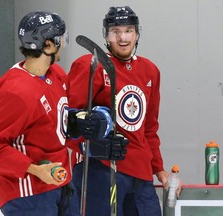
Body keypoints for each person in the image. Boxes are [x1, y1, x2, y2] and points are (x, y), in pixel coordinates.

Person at [0, 10, 123, 216]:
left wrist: (77, 122)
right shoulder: (16, 92)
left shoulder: (57, 75)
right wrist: (35, 170)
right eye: (60, 39)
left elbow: (53, 121)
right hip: (28, 193)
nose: (63, 43)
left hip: (61, 183)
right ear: (47, 46)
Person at [67, 6, 181, 216]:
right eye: (115, 32)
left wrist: (159, 169)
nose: (122, 38)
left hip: (141, 172)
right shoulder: (90, 66)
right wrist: (96, 147)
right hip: (101, 169)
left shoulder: (150, 71)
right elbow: (68, 124)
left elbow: (149, 128)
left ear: (137, 34)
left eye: (128, 30)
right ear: (106, 35)